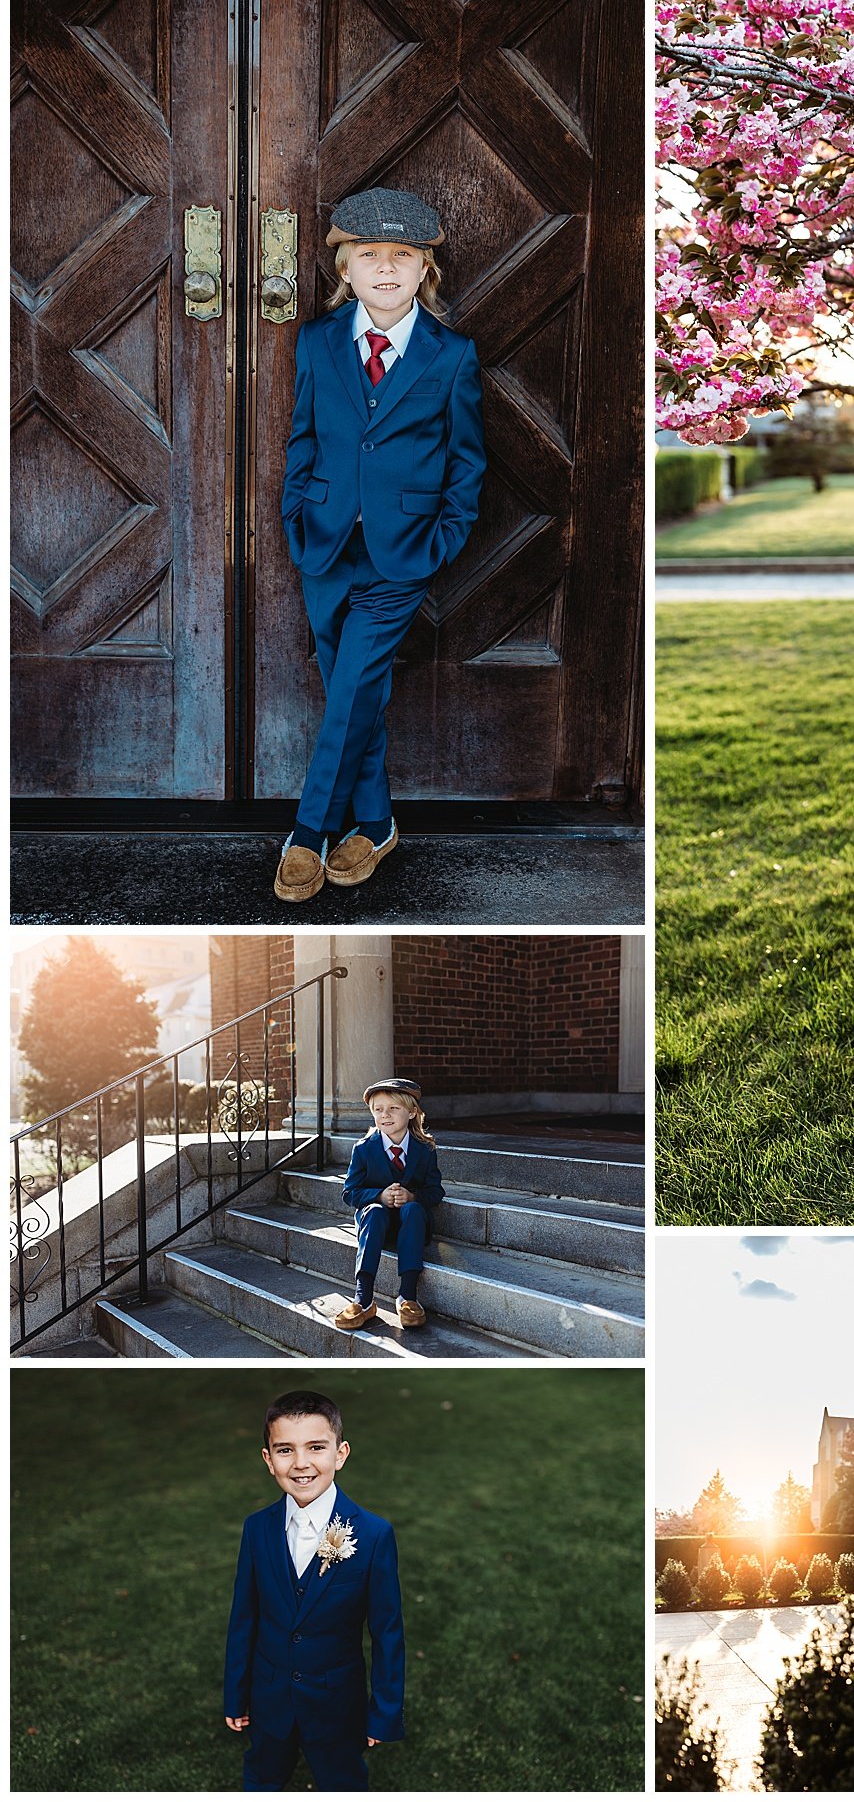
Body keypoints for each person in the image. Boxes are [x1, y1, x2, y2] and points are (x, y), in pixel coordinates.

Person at [275, 187, 486, 903]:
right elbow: (302, 438)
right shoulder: (317, 342)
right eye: (370, 256)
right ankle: (378, 821)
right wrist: (297, 515)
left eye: (402, 257)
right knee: (351, 687)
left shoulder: (450, 356)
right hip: (325, 542)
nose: (386, 270)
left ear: (425, 268)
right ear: (347, 267)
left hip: (404, 552)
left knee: (354, 680)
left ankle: (308, 831)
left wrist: (443, 540)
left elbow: (467, 462)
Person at [224, 1389, 403, 1790]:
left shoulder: (373, 1535)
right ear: (269, 1460)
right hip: (269, 1700)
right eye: (285, 1450)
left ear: (340, 1454)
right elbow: (244, 1617)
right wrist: (236, 1696)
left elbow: (387, 1632)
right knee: (262, 1778)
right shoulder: (257, 1529)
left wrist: (384, 1712)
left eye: (316, 1447)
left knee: (342, 1782)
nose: (301, 1464)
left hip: (337, 1704)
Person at [335, 1078, 445, 1332]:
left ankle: (408, 1296)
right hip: (376, 1226)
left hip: (412, 1225)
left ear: (411, 1111)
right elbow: (350, 1193)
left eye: (393, 1108)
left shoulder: (425, 1149)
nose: (385, 1115)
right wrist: (379, 1196)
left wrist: (413, 1197)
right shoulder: (363, 1149)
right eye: (378, 1109)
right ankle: (363, 1298)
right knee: (373, 1211)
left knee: (414, 1209)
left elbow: (436, 1191)